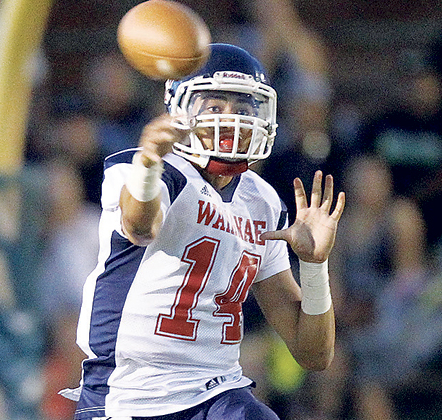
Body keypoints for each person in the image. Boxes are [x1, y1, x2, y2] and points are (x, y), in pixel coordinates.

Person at [59, 43, 345, 419]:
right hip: (129, 393)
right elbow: (139, 225)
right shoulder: (148, 170)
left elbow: (314, 354)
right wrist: (149, 161)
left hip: (216, 390)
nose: (231, 120)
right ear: (180, 110)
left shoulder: (262, 201)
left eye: (243, 108)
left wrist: (314, 266)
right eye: (215, 107)